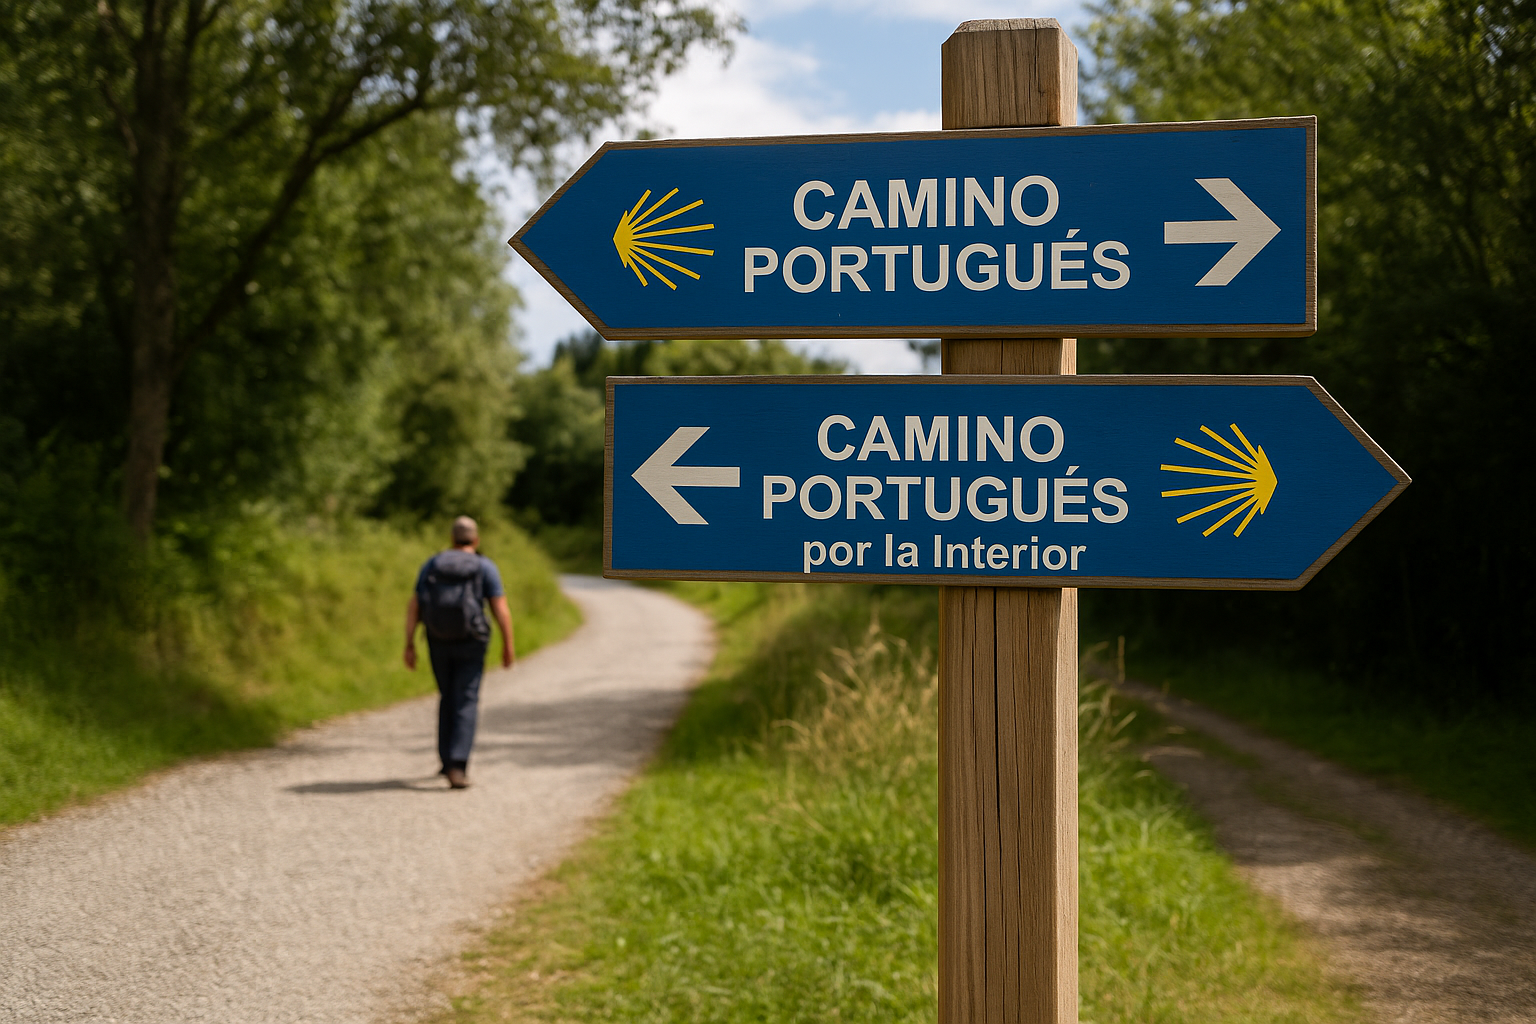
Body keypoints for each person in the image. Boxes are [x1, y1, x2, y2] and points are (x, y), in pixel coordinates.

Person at [403, 516, 515, 789]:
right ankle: (457, 765)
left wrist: (409, 644)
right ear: (476, 540)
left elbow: (414, 606)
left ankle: (445, 760)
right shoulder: (484, 566)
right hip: (472, 641)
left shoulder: (433, 564)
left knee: (447, 695)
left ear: (452, 539)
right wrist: (508, 644)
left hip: (437, 639)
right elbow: (500, 608)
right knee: (466, 698)